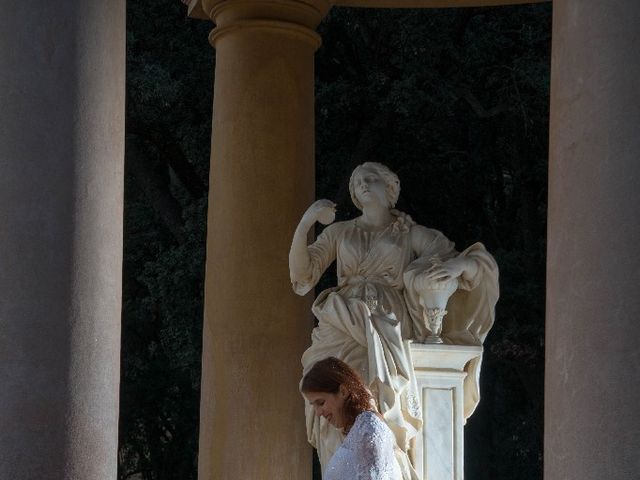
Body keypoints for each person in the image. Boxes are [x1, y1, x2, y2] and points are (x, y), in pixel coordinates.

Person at [289, 162, 499, 477]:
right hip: (338, 323)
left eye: (371, 178)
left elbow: (467, 263)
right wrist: (305, 224)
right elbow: (302, 278)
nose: (362, 184)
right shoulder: (339, 232)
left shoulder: (411, 234)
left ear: (391, 188)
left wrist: (457, 268)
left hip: (383, 325)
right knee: (330, 414)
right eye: (357, 181)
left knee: (376, 406)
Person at [301, 357, 402, 480]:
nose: (318, 413)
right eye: (314, 406)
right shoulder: (360, 429)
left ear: (343, 391)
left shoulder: (368, 428)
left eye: (321, 403)